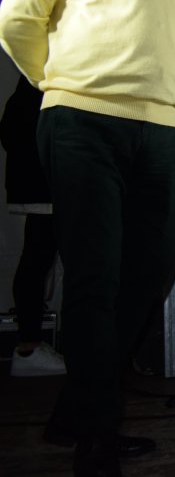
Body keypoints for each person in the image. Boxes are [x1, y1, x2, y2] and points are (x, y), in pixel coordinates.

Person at [0, 0, 175, 475]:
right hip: (81, 120)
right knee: (94, 275)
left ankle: (75, 412)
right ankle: (96, 433)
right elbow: (19, 20)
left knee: (152, 271)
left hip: (160, 127)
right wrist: (63, 84)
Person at [0, 76, 65, 377]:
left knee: (37, 259)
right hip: (46, 181)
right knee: (38, 259)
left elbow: (9, 130)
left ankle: (29, 346)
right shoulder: (43, 78)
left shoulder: (34, 80)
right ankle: (29, 347)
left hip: (40, 181)